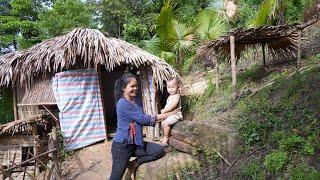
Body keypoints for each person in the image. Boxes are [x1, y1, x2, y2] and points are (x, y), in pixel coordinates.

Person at [109, 73, 179, 180]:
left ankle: (134, 163)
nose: (135, 88)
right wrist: (166, 115)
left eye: (136, 85)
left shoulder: (135, 102)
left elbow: (142, 118)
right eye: (132, 86)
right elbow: (142, 119)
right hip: (122, 147)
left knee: (159, 151)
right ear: (124, 88)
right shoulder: (122, 103)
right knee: (116, 177)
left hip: (136, 144)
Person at [160, 77, 183, 145]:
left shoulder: (177, 96)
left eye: (173, 87)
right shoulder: (169, 97)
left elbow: (173, 105)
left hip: (176, 115)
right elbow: (168, 105)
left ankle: (166, 137)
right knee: (162, 123)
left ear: (177, 87)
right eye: (169, 87)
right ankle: (165, 135)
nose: (170, 89)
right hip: (170, 114)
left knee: (166, 123)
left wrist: (163, 111)